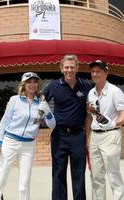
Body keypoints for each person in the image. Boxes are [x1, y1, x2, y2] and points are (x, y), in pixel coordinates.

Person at [0, 72, 56, 200]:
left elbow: (52, 124)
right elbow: (4, 122)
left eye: (35, 82)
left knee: (24, 184)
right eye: (29, 82)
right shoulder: (14, 100)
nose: (32, 85)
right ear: (23, 84)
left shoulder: (41, 103)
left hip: (28, 145)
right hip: (10, 142)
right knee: (0, 178)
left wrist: (48, 113)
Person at [44, 54, 91, 200]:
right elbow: (38, 102)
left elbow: (93, 107)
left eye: (72, 67)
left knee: (79, 174)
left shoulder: (85, 86)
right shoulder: (53, 85)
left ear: (77, 68)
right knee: (58, 173)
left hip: (78, 135)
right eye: (66, 67)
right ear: (61, 69)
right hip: (59, 135)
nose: (69, 70)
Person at [87, 60, 124, 200]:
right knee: (96, 176)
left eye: (99, 71)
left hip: (111, 135)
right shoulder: (91, 93)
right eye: (93, 71)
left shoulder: (115, 91)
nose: (95, 74)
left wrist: (113, 124)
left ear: (106, 73)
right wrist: (88, 138)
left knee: (113, 175)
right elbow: (90, 116)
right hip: (95, 137)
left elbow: (123, 116)